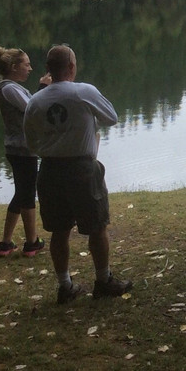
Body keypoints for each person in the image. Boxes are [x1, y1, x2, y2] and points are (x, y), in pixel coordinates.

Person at [23, 44, 132, 304]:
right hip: (82, 170)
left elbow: (31, 143)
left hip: (49, 170)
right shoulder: (84, 92)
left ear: (48, 69)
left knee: (59, 231)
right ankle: (103, 280)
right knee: (97, 227)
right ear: (72, 67)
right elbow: (112, 117)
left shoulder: (35, 101)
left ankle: (65, 286)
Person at [0, 45, 50, 259]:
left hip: (19, 149)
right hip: (22, 149)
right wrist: (43, 88)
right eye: (27, 64)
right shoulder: (9, 89)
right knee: (27, 194)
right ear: (14, 67)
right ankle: (32, 243)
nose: (30, 68)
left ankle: (5, 244)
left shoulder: (10, 87)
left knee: (21, 192)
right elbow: (33, 110)